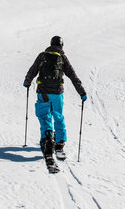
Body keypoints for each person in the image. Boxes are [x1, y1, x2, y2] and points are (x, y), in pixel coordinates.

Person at [23, 35, 87, 166]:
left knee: (44, 116)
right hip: (57, 93)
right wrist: (82, 92)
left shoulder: (42, 56)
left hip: (43, 92)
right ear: (61, 46)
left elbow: (32, 70)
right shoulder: (62, 58)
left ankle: (47, 140)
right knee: (58, 116)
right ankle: (59, 144)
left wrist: (27, 82)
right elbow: (73, 76)